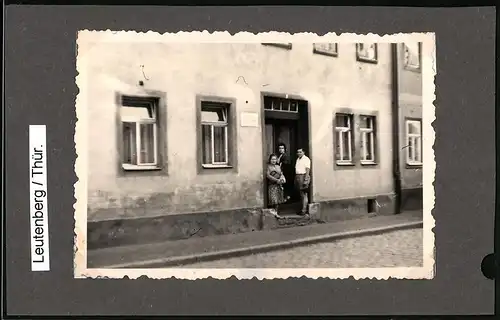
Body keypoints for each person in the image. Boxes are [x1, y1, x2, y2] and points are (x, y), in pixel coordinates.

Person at [294, 148, 311, 215]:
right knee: (301, 194)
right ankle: (302, 209)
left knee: (304, 194)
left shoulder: (306, 159)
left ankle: (304, 210)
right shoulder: (298, 159)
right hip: (298, 176)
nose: (299, 153)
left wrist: (306, 179)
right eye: (298, 152)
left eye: (300, 152)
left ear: (303, 152)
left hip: (303, 176)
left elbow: (307, 169)